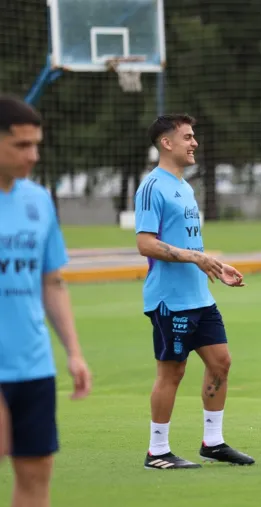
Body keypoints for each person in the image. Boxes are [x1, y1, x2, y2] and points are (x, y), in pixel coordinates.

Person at [135, 114, 255, 469]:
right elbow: (145, 244)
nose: (194, 143)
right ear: (166, 143)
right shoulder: (152, 187)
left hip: (200, 297)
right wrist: (195, 257)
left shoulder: (184, 187)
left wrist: (215, 265)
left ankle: (213, 443)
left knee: (221, 363)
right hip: (170, 300)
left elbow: (188, 243)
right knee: (172, 372)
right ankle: (157, 451)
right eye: (187, 137)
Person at [0, 95, 93, 506]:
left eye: (36, 145)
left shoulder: (38, 201)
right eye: (21, 145)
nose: (33, 156)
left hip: (34, 367)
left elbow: (52, 282)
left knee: (36, 475)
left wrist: (74, 352)